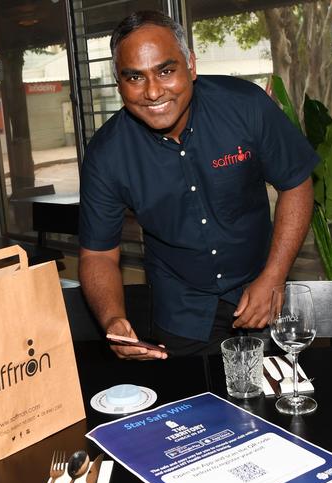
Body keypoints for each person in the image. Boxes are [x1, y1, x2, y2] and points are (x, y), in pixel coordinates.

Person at [78, 10, 318, 359]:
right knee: (195, 411)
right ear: (118, 84)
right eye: (135, 77)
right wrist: (113, 320)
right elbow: (98, 254)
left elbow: (296, 183)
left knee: (274, 406)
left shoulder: (246, 106)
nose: (153, 91)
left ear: (190, 65)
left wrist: (274, 276)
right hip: (180, 313)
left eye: (165, 70)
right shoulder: (106, 154)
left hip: (261, 294)